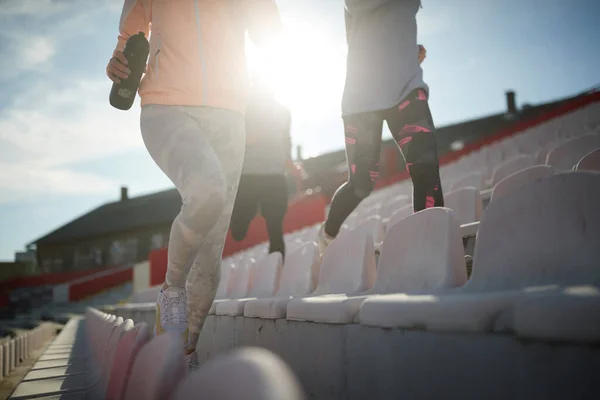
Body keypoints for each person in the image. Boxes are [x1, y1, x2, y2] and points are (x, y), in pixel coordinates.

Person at [106, 0, 283, 369]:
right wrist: (118, 62)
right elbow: (129, 36)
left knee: (211, 250)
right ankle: (171, 290)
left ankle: (185, 351)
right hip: (166, 106)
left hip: (231, 115)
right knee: (207, 191)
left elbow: (271, 33)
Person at [317, 0, 444, 254]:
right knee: (362, 182)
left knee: (425, 169)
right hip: (361, 98)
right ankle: (328, 233)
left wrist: (406, 49)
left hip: (406, 85)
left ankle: (434, 256)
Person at [230, 80, 298, 259]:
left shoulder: (284, 112)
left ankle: (279, 277)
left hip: (275, 177)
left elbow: (286, 140)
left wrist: (289, 162)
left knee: (276, 229)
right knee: (238, 232)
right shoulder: (243, 109)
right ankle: (247, 213)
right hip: (248, 177)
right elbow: (241, 139)